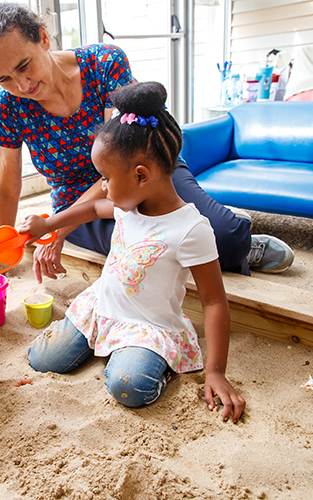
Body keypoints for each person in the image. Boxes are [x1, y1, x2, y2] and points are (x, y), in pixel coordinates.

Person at [0, 2, 294, 281]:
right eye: (4, 79)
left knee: (224, 237)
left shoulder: (104, 63)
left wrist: (57, 228)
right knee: (151, 253)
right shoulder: (5, 106)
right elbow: (7, 186)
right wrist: (1, 254)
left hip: (144, 168)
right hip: (79, 202)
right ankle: (220, 233)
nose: (22, 84)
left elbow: (122, 157)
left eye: (24, 66)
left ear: (43, 38)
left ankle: (238, 237)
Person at [19, 81, 246, 422]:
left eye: (106, 178)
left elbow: (214, 302)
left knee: (129, 387)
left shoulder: (191, 229)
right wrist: (48, 225)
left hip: (148, 327)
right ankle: (110, 346)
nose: (103, 187)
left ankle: (147, 361)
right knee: (42, 359)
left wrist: (215, 372)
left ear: (141, 175)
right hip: (101, 307)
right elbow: (93, 210)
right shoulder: (129, 205)